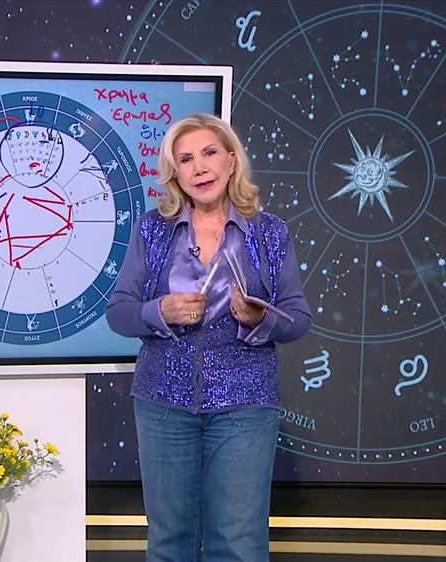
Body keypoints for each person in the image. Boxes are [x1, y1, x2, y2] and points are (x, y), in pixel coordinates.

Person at [105, 113, 312, 562]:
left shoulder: (269, 232)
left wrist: (259, 318)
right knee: (169, 542)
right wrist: (158, 310)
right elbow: (118, 312)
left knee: (237, 543)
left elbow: (298, 319)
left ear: (231, 161)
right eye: (185, 159)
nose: (199, 167)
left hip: (245, 404)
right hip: (163, 403)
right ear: (175, 174)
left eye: (209, 153)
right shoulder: (152, 230)